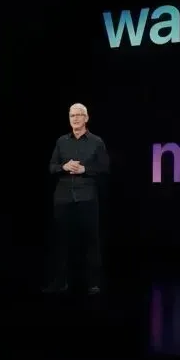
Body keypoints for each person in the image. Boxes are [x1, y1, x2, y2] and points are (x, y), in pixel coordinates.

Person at [44, 103, 110, 295]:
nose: (75, 118)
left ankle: (93, 284)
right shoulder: (61, 141)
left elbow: (105, 168)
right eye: (72, 115)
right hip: (63, 197)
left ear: (86, 118)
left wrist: (85, 169)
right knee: (61, 241)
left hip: (87, 196)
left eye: (79, 115)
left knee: (90, 240)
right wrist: (63, 167)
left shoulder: (96, 142)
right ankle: (60, 282)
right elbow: (52, 166)